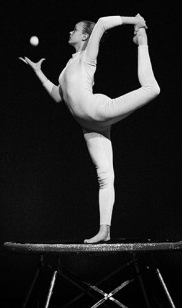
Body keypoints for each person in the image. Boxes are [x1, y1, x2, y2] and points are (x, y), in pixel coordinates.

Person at [19, 14, 160, 243]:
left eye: (74, 29)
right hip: (89, 126)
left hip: (99, 110)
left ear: (85, 35)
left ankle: (142, 41)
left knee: (152, 89)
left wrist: (135, 21)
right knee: (105, 176)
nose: (70, 32)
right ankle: (105, 230)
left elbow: (103, 22)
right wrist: (38, 72)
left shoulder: (87, 57)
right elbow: (58, 96)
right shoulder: (66, 68)